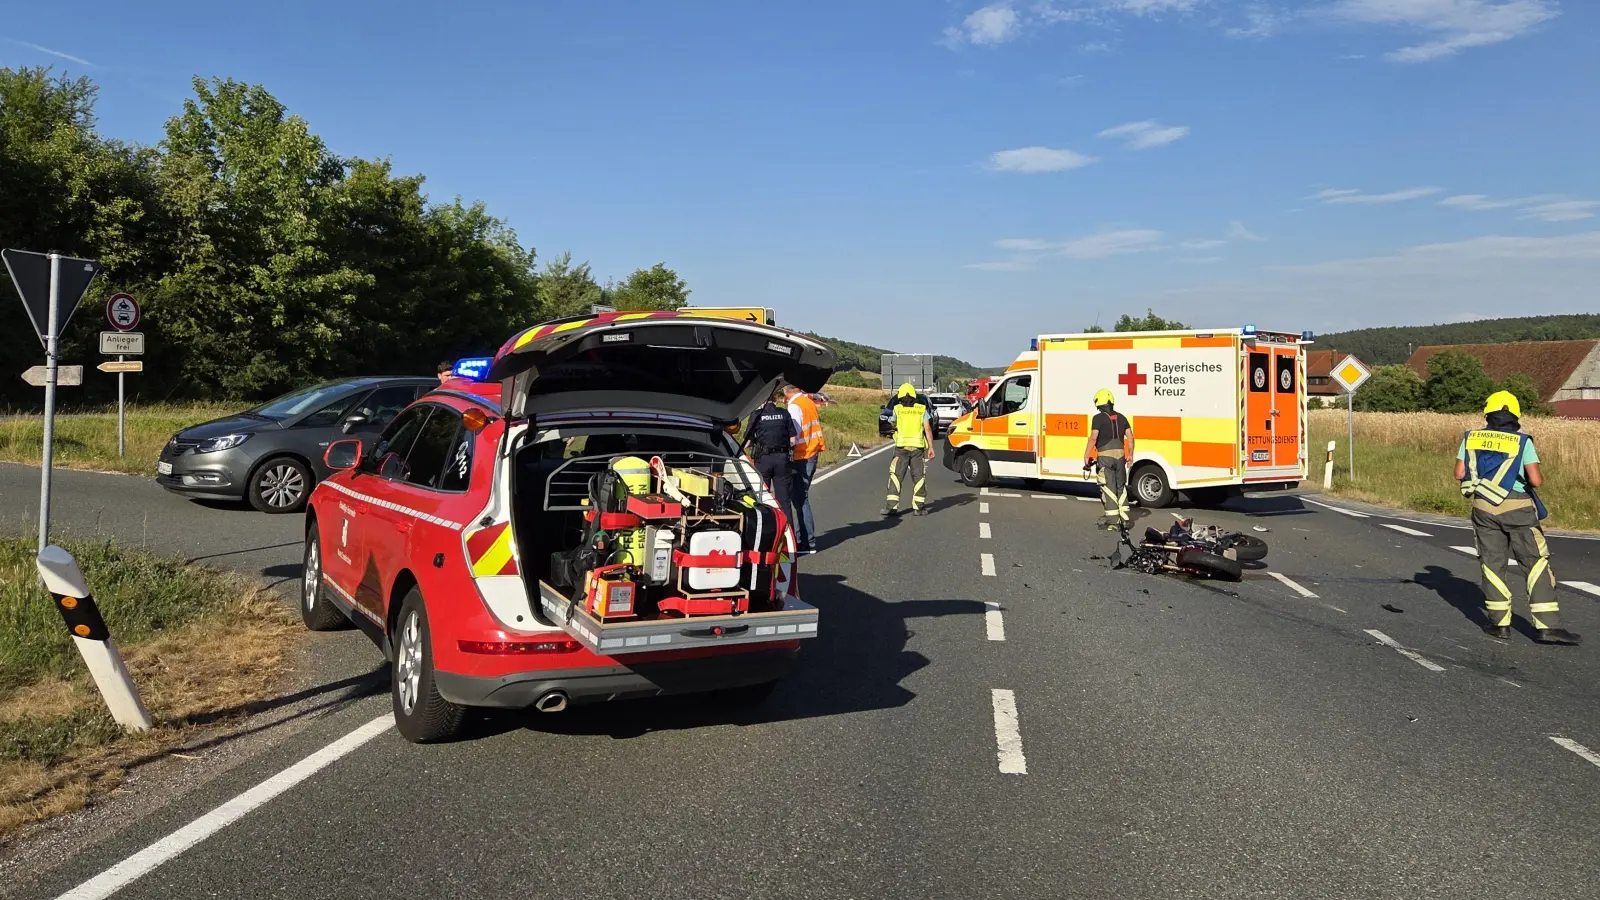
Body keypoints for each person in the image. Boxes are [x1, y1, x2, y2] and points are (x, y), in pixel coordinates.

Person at [1456, 391, 1579, 645]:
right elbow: (1535, 480)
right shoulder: (1522, 442)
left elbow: (1460, 473)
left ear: (1487, 414)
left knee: (1491, 564)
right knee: (1535, 563)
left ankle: (1499, 624)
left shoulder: (1471, 437)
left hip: (1483, 508)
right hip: (1518, 509)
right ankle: (1548, 627)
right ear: (1515, 415)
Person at [1082, 388, 1133, 530]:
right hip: (1121, 456)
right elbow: (1130, 437)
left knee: (1108, 488)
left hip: (1105, 456)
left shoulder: (1097, 418)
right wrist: (1130, 455)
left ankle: (1113, 521)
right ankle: (1125, 519)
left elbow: (1093, 437)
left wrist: (1086, 455)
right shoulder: (1122, 417)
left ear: (1099, 403)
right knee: (1120, 487)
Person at [783, 382, 826, 553]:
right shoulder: (807, 402)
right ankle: (805, 539)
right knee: (801, 498)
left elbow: (795, 433)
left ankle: (807, 541)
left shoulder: (794, 406)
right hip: (812, 451)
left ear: (786, 391)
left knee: (800, 499)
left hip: (801, 455)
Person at [742, 385, 797, 513]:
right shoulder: (784, 413)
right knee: (784, 500)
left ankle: (768, 528)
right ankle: (788, 531)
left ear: (761, 400)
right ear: (775, 398)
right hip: (782, 460)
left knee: (762, 498)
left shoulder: (757, 415)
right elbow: (793, 440)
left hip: (763, 459)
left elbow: (747, 441)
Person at [883, 382, 934, 517]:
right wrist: (931, 447)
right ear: (914, 396)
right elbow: (927, 428)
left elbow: (892, 423)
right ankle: (919, 508)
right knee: (919, 478)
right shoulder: (922, 409)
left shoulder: (897, 409)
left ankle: (891, 508)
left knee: (896, 477)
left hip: (901, 448)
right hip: (917, 448)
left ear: (900, 397)